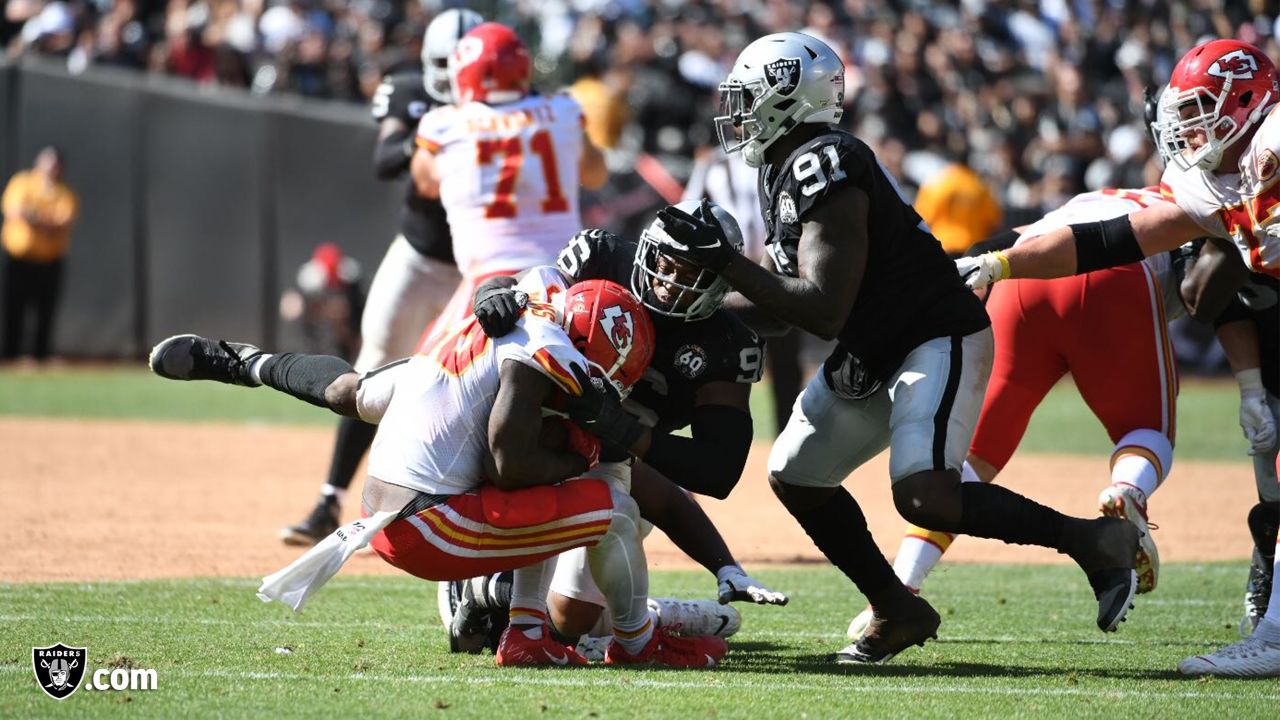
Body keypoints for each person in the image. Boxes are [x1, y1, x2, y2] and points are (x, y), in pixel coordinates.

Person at [660, 31, 1141, 664]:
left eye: (749, 97)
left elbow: (821, 307)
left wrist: (726, 263)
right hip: (874, 347)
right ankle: (897, 606)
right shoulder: (786, 167)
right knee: (797, 475)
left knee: (925, 495)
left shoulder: (823, 162)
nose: (739, 112)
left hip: (932, 334)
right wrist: (684, 310)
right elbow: (782, 311)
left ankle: (1094, 542)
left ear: (787, 99)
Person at [149, 271, 728, 669]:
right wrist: (585, 454)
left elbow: (345, 390)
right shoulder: (546, 357)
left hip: (390, 506)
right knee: (612, 509)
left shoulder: (516, 324)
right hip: (431, 526)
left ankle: (241, 361)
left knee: (351, 388)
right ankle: (634, 639)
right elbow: (507, 465)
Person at [957, 39, 1280, 677]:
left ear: (1247, 100)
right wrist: (1001, 260)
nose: (1190, 129)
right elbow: (1111, 240)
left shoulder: (1270, 149)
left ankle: (1274, 637)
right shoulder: (1218, 176)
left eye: (1202, 110)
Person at [848, 186, 1187, 641]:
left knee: (963, 466)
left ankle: (901, 584)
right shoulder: (1199, 201)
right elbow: (1209, 288)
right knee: (1145, 429)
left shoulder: (1096, 198)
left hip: (1025, 274)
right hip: (1115, 274)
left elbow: (986, 247)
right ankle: (1128, 491)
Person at [451, 202, 787, 655]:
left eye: (691, 272)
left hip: (617, 461)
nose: (670, 281)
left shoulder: (727, 342)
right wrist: (490, 292)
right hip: (544, 437)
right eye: (667, 261)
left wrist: (624, 432)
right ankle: (493, 587)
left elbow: (718, 470)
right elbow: (526, 291)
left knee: (571, 619)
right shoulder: (601, 257)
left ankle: (645, 616)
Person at [279, 8, 481, 547]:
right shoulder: (415, 93)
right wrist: (443, 132)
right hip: (416, 258)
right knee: (367, 376)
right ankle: (328, 501)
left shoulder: (503, 106)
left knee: (476, 382)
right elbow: (387, 158)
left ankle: (460, 509)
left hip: (476, 267)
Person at [408, 21, 607, 351]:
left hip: (491, 281)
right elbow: (597, 173)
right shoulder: (564, 110)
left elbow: (424, 183)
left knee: (424, 377)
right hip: (568, 277)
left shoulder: (444, 124)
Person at [1179, 237, 1279, 640]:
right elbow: (1221, 303)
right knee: (1272, 497)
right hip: (1272, 369)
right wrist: (1251, 389)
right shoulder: (1227, 213)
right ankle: (1266, 565)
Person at [1, 146, 78, 362]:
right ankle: (11, 356)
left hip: (50, 261)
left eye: (55, 164)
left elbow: (65, 222)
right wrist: (45, 220)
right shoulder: (22, 182)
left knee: (45, 310)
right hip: (19, 259)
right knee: (15, 307)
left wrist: (34, 217)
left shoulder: (64, 193)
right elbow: (15, 212)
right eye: (47, 162)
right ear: (38, 162)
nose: (51, 167)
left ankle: (40, 356)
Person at [278, 243, 365, 360]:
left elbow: (356, 309)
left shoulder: (350, 281)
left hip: (345, 340)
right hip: (313, 340)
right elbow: (290, 308)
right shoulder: (308, 285)